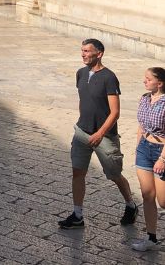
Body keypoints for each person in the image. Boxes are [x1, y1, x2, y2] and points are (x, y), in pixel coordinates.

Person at [58, 38, 137, 229]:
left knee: (114, 174)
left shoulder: (109, 77)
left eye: (87, 51)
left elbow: (115, 112)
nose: (83, 54)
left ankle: (130, 205)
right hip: (82, 133)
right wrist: (83, 123)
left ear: (99, 54)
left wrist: (100, 133)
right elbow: (83, 100)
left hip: (105, 137)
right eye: (82, 50)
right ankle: (78, 215)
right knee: (77, 172)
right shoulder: (80, 73)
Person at [129, 66, 165, 251]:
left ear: (160, 83)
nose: (144, 81)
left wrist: (162, 159)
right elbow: (141, 126)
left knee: (163, 200)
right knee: (147, 195)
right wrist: (137, 147)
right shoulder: (144, 99)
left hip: (162, 150)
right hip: (144, 148)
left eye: (148, 79)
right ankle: (151, 238)